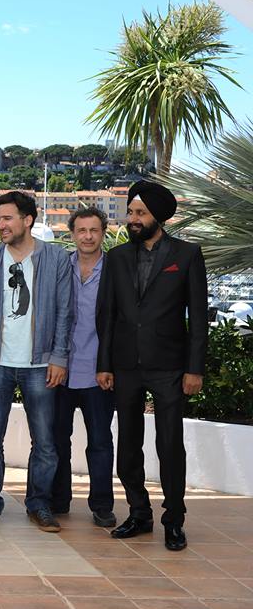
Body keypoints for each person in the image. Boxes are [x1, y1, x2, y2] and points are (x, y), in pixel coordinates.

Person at [96, 180, 208, 551]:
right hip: (126, 366)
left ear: (158, 216)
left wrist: (195, 369)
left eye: (140, 213)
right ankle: (139, 513)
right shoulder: (116, 258)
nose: (133, 219)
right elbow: (107, 315)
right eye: (130, 212)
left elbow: (199, 318)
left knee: (170, 445)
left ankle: (174, 520)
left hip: (170, 367)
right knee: (128, 445)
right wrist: (105, 364)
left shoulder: (188, 255)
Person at [0, 191, 72, 533]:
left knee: (45, 442)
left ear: (27, 220)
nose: (0, 225)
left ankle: (39, 504)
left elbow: (64, 312)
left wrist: (59, 357)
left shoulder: (57, 259)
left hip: (41, 364)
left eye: (7, 218)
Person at [51, 207, 116, 527]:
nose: (88, 236)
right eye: (82, 231)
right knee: (57, 440)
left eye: (94, 230)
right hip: (61, 370)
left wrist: (112, 365)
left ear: (103, 233)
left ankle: (102, 505)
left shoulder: (116, 270)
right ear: (72, 234)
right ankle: (59, 500)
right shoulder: (62, 267)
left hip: (99, 372)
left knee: (101, 442)